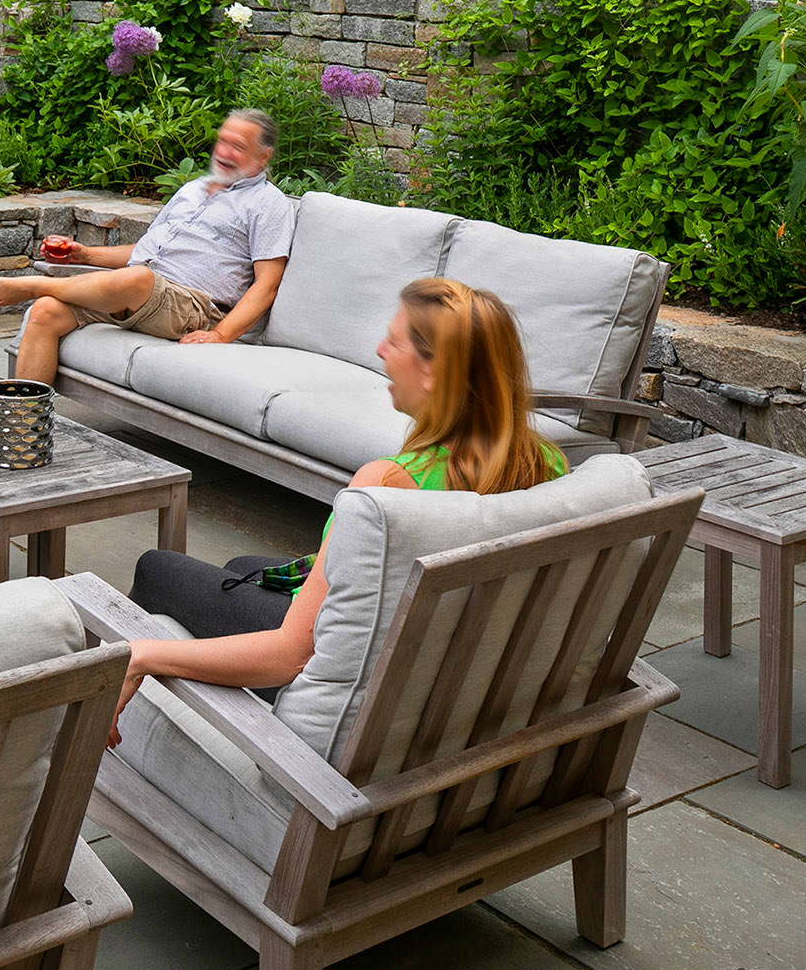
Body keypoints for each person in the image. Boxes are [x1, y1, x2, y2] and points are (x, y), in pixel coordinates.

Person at [114, 277, 569, 725]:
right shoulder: (545, 462)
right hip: (443, 664)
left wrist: (144, 655)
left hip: (363, 676)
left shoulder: (388, 484)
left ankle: (107, 717)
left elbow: (289, 656)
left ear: (433, 371)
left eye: (394, 342)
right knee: (241, 566)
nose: (379, 352)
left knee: (157, 568)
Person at [0, 110, 294, 381]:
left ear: (263, 156)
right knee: (46, 312)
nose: (224, 151)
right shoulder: (194, 189)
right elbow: (146, 251)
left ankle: (35, 285)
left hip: (192, 307)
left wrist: (221, 334)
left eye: (238, 146)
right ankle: (24, 430)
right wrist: (85, 253)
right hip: (138, 292)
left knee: (139, 278)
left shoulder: (268, 204)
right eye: (223, 141)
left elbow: (267, 285)